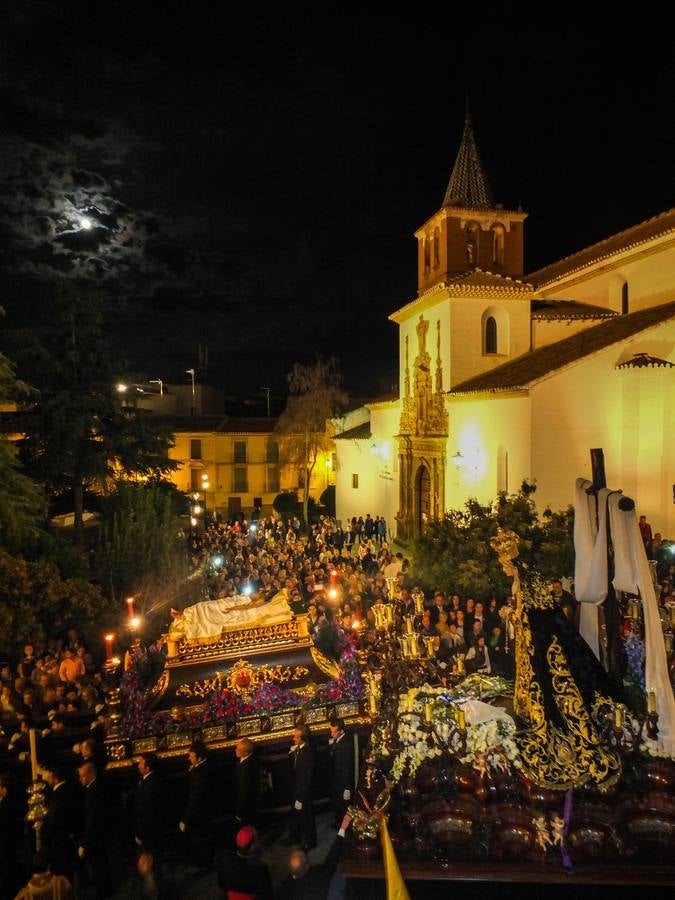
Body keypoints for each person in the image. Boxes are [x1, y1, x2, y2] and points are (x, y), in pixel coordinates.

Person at [490, 529, 623, 791]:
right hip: (532, 647)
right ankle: (526, 706)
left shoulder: (523, 584)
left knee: (546, 692)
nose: (503, 570)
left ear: (509, 563)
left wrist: (510, 615)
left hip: (537, 648)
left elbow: (530, 620)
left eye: (503, 565)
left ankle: (547, 726)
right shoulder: (527, 580)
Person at [169, 586, 292, 642]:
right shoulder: (259, 594)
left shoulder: (260, 600)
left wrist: (233, 609)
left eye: (268, 589)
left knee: (208, 607)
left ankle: (188, 616)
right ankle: (187, 615)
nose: (264, 588)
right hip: (234, 601)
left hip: (236, 607)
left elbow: (247, 607)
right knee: (206, 605)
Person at [77, 761, 112, 898]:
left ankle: (103, 892)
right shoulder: (95, 787)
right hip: (99, 835)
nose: (80, 779)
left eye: (82, 776)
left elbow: (92, 820)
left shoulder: (94, 791)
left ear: (90, 775)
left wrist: (85, 843)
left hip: (96, 838)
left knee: (98, 867)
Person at [179, 740, 214, 870]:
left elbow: (195, 798)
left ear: (199, 758)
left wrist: (185, 820)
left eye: (191, 756)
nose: (188, 758)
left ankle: (205, 865)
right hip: (201, 812)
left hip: (200, 814)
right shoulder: (200, 767)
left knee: (202, 840)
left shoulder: (200, 774)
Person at [215, 825, 273, 900]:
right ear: (252, 846)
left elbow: (222, 885)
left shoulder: (224, 860)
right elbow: (267, 895)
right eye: (257, 839)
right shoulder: (259, 869)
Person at [41, 762, 77, 881]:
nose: (47, 778)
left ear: (55, 776)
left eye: (49, 775)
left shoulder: (59, 794)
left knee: (63, 870)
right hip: (67, 835)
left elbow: (55, 818)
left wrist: (45, 834)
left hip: (60, 838)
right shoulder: (66, 788)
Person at [283, 725, 316, 851]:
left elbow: (306, 779)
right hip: (296, 790)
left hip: (303, 793)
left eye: (296, 737)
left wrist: (300, 799)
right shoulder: (300, 748)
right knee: (296, 816)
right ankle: (294, 837)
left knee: (306, 818)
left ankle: (310, 842)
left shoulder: (308, 754)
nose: (293, 739)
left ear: (303, 738)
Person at [327, 717, 354, 827]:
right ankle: (339, 823)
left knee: (344, 807)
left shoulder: (346, 745)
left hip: (343, 782)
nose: (331, 734)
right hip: (336, 780)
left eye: (334, 732)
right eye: (331, 731)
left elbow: (347, 767)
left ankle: (346, 827)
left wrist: (347, 788)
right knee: (337, 804)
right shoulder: (337, 740)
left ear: (341, 731)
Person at [234, 737, 260, 828]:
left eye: (238, 749)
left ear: (245, 753)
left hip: (246, 806)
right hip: (249, 804)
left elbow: (244, 791)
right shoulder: (250, 760)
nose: (235, 750)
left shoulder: (246, 769)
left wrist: (240, 812)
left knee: (247, 828)